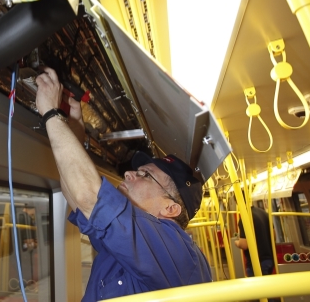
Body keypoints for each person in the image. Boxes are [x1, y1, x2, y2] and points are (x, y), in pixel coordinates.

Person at [35, 67, 212, 301]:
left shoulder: (178, 251)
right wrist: (75, 125)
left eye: (145, 175)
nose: (129, 174)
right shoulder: (131, 237)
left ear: (171, 208)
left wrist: (51, 114)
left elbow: (89, 197)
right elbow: (78, 199)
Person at [234, 204, 275, 277]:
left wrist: (237, 243)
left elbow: (244, 245)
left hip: (256, 264)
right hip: (270, 260)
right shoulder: (264, 213)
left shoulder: (245, 218)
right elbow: (274, 236)